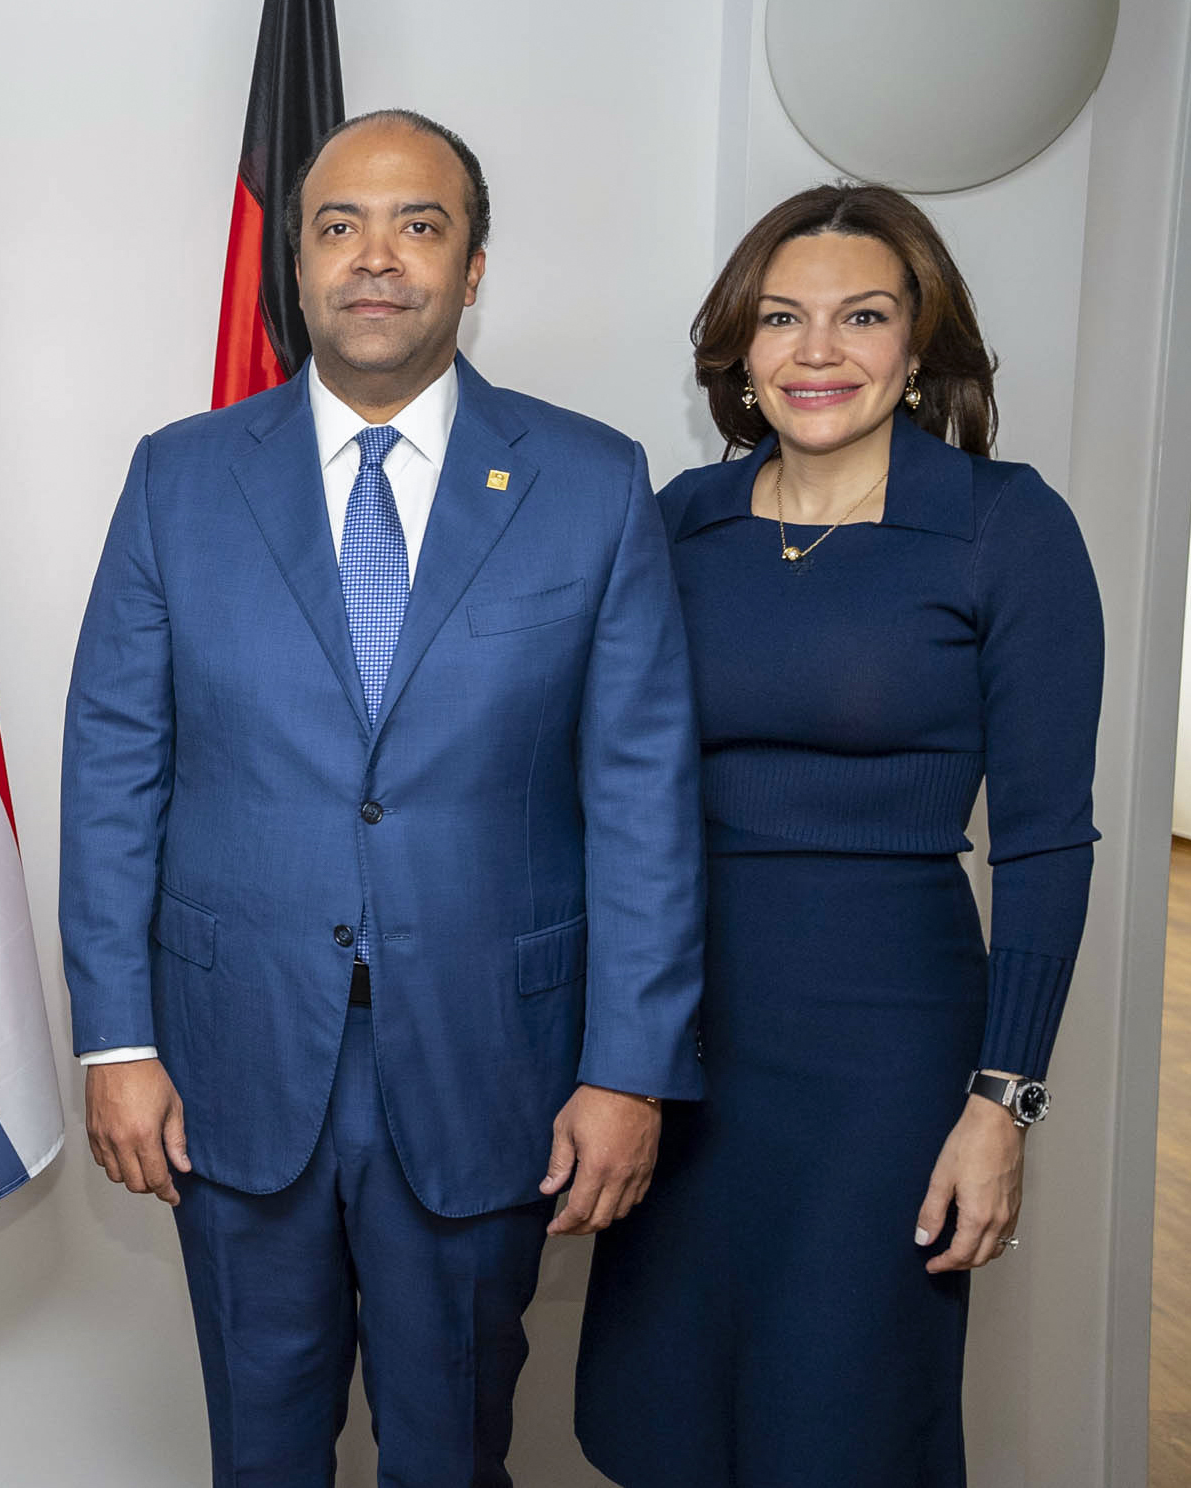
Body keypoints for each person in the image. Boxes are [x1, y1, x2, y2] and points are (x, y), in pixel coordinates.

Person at [61, 110, 705, 1485]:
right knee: (262, 1457)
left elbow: (642, 800)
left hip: (491, 1063)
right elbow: (114, 768)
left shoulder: (591, 484)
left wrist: (627, 1068)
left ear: (472, 269)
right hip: (229, 1062)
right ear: (295, 264)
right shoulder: (178, 477)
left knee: (452, 1455)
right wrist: (115, 1039)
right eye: (338, 225)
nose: (375, 257)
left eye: (419, 225)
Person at [575, 184, 1103, 1488]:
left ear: (916, 344)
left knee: (841, 1419)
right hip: (679, 1045)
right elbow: (597, 784)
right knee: (666, 1417)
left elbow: (1044, 840)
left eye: (860, 316)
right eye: (780, 318)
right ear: (740, 348)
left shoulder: (1002, 524)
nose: (816, 351)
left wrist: (1002, 1104)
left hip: (884, 1059)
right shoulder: (678, 519)